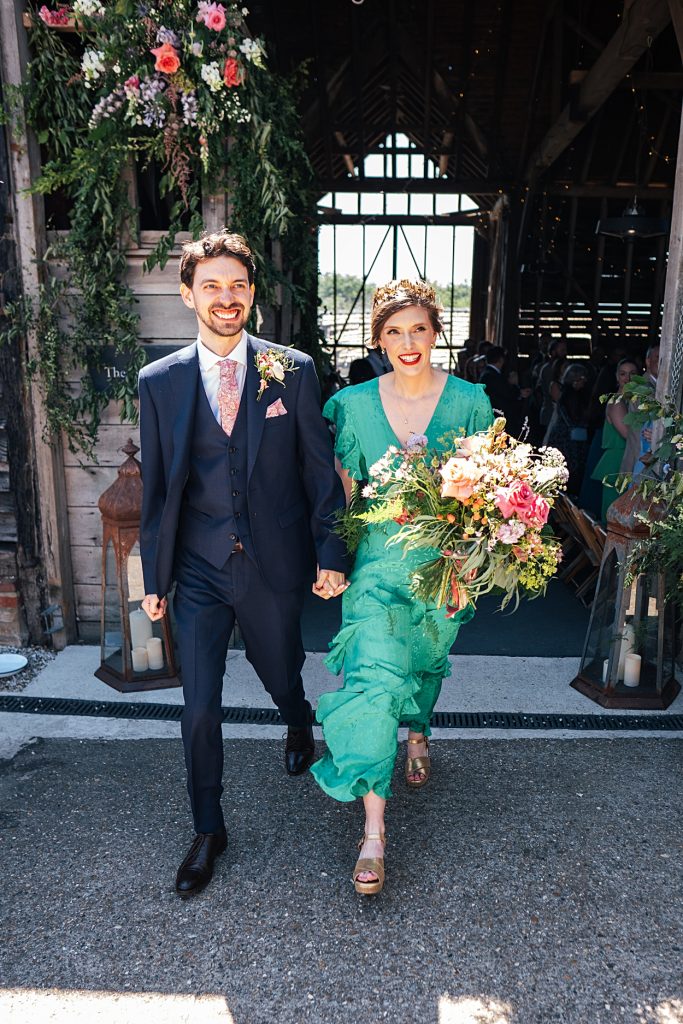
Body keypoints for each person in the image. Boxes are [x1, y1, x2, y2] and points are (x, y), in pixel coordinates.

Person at [138, 231, 348, 898]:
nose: (224, 298)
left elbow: (320, 474)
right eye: (211, 286)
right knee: (198, 706)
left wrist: (329, 553)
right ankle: (207, 828)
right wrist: (155, 579)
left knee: (279, 669)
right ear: (188, 294)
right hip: (198, 569)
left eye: (236, 286)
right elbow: (158, 488)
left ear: (251, 294)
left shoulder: (292, 369)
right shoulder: (159, 382)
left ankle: (295, 716)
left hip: (272, 562)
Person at [310, 280, 493, 895]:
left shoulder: (470, 401)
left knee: (425, 661)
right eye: (393, 332)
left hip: (441, 567)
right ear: (378, 340)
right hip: (376, 571)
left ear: (436, 332)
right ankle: (374, 832)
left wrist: (472, 561)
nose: (407, 343)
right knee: (372, 681)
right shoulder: (355, 405)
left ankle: (418, 735)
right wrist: (330, 560)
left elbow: (489, 496)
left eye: (418, 329)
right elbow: (343, 494)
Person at [590, 358, 640, 522]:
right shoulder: (617, 402)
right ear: (617, 377)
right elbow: (629, 435)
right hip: (618, 460)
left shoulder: (629, 401)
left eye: (632, 374)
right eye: (623, 374)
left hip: (624, 457)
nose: (627, 378)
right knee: (615, 516)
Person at [543, 362, 591, 496]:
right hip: (569, 441)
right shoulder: (572, 395)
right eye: (582, 378)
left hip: (565, 438)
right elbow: (574, 417)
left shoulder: (567, 393)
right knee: (570, 474)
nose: (584, 382)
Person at [620, 343, 660, 477]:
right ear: (648, 361)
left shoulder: (659, 385)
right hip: (640, 457)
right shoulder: (642, 386)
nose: (663, 362)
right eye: (658, 357)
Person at [479, 345, 531, 437]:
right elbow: (506, 394)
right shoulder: (491, 376)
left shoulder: (489, 374)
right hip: (497, 418)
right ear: (501, 360)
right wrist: (515, 387)